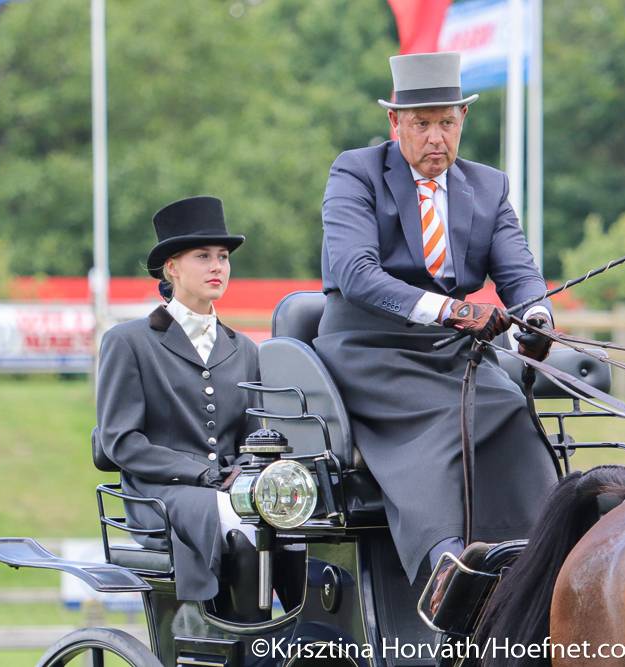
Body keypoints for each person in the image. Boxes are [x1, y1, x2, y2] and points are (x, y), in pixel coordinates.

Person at [314, 52, 557, 596]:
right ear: (394, 122)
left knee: (510, 407)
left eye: (446, 122)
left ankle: (536, 557)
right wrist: (452, 310)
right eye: (421, 124)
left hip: (451, 350)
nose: (435, 139)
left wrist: (536, 317)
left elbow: (519, 273)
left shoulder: (488, 186)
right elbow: (355, 272)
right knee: (451, 417)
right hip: (368, 348)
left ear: (463, 119)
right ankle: (444, 564)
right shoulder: (355, 173)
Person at [96, 195, 261, 605]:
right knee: (240, 524)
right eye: (203, 256)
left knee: (296, 524)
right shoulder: (128, 342)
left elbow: (254, 438)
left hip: (230, 489)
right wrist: (200, 474)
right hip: (161, 494)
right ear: (172, 267)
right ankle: (243, 626)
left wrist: (243, 473)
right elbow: (121, 441)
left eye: (223, 257)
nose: (217, 267)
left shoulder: (244, 349)